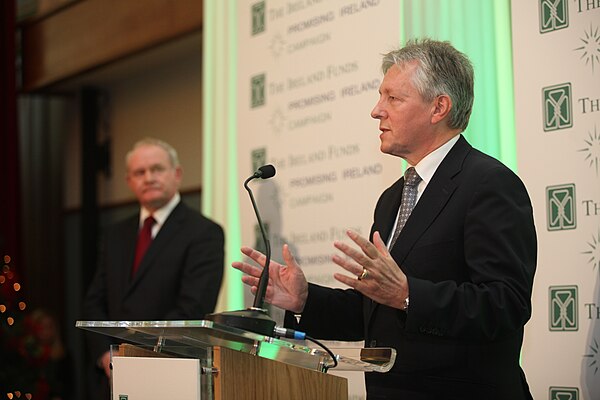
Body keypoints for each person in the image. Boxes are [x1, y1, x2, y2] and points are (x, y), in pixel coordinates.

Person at [233, 39, 537, 400]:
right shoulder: (393, 197)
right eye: (381, 97)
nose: (376, 111)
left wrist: (410, 295)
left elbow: (505, 304)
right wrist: (304, 299)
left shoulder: (489, 183)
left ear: (439, 107)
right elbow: (375, 310)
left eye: (393, 98)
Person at [83, 138, 225, 400]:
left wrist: (136, 357)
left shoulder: (204, 233)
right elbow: (95, 300)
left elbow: (192, 308)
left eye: (157, 169)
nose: (148, 177)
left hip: (170, 376)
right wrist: (106, 355)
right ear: (129, 181)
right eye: (140, 172)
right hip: (112, 376)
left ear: (177, 174)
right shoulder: (115, 234)